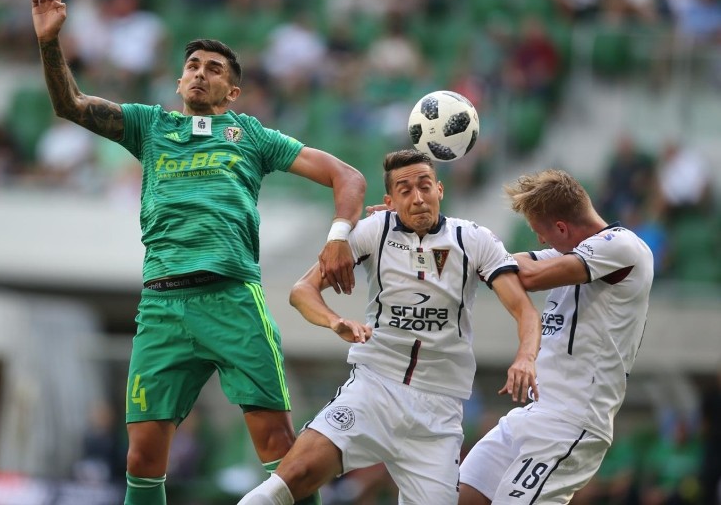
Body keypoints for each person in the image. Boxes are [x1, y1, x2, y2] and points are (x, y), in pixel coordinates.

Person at [31, 0, 367, 505]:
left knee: (278, 445)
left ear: (232, 93)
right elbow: (70, 104)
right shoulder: (149, 125)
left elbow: (346, 175)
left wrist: (339, 237)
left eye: (214, 68)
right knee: (141, 459)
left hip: (232, 299)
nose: (200, 72)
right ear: (179, 77)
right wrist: (51, 43)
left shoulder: (250, 135)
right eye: (192, 64)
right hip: (162, 305)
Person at [240, 149, 541, 504]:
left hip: (438, 415)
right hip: (374, 389)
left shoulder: (474, 239)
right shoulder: (373, 232)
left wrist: (525, 357)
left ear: (439, 190)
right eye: (405, 189)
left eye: (425, 186)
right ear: (389, 200)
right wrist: (334, 320)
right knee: (287, 482)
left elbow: (525, 311)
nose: (417, 198)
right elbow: (301, 291)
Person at [459, 169, 654, 505]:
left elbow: (528, 275)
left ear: (562, 228)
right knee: (455, 496)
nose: (541, 242)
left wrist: (490, 257)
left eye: (541, 233)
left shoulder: (623, 247)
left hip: (573, 422)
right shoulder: (573, 251)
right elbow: (510, 263)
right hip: (536, 413)